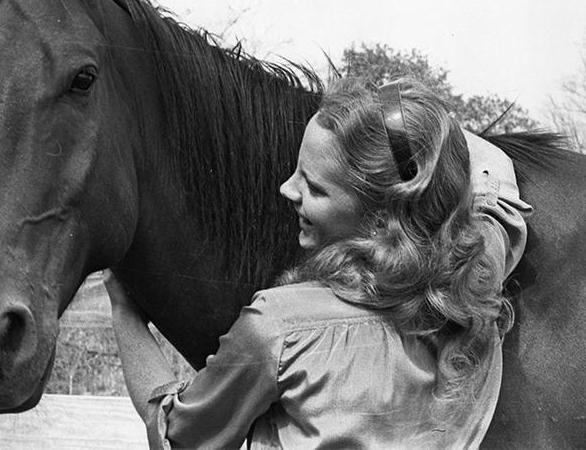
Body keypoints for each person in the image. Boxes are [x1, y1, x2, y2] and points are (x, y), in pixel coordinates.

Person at [105, 77, 532, 449]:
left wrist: (125, 313)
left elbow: (178, 437)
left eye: (315, 187)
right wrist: (402, 131)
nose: (286, 189)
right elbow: (497, 185)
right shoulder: (478, 284)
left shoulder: (279, 328)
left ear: (381, 215)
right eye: (297, 169)